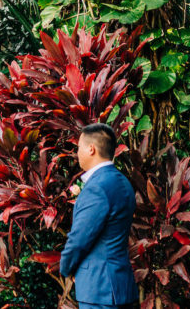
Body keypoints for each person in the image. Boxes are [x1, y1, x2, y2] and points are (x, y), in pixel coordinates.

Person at [59, 123, 138, 309]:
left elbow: (79, 238)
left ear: (91, 149)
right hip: (121, 286)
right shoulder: (123, 182)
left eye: (79, 148)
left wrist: (67, 267)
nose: (77, 153)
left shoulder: (97, 187)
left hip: (99, 288)